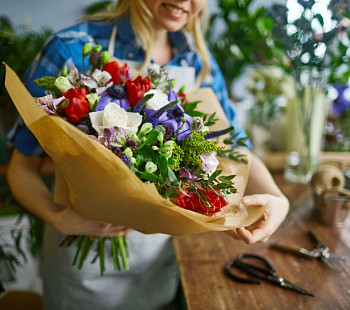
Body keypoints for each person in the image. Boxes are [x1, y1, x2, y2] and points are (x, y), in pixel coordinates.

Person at [6, 1, 290, 309]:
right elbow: (22, 168)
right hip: (81, 262)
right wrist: (57, 217)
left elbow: (233, 148)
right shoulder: (72, 50)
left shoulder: (197, 63)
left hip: (159, 260)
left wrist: (278, 198)